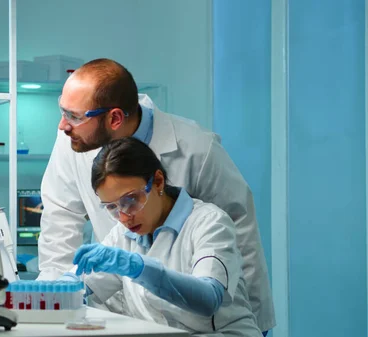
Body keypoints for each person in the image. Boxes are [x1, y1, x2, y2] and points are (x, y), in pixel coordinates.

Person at [37, 58, 275, 334]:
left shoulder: (197, 150)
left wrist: (257, 320)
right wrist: (54, 296)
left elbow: (239, 235)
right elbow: (60, 220)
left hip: (207, 317)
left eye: (75, 116)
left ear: (114, 118)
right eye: (111, 207)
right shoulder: (75, 143)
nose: (63, 126)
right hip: (134, 313)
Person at [62, 137, 262, 336]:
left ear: (158, 181)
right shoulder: (122, 234)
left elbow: (208, 299)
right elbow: (83, 284)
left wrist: (141, 269)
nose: (123, 217)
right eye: (112, 207)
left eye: (130, 200)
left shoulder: (209, 222)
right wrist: (66, 286)